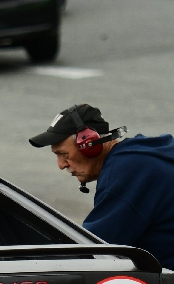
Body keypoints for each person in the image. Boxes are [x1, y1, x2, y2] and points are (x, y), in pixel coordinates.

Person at [29, 103, 174, 269]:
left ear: (89, 144)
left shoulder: (128, 172)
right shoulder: (142, 153)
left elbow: (91, 251)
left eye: (64, 154)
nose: (61, 165)